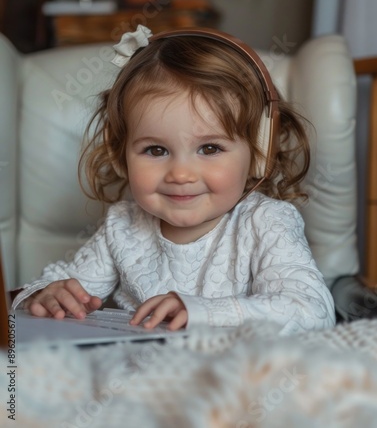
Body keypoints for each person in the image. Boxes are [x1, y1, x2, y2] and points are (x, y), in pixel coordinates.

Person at [13, 25, 335, 335]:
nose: (180, 174)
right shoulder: (123, 226)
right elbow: (64, 282)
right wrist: (47, 295)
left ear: (259, 151)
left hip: (238, 374)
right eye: (156, 150)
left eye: (210, 148)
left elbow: (311, 310)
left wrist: (203, 312)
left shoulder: (266, 223)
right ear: (120, 154)